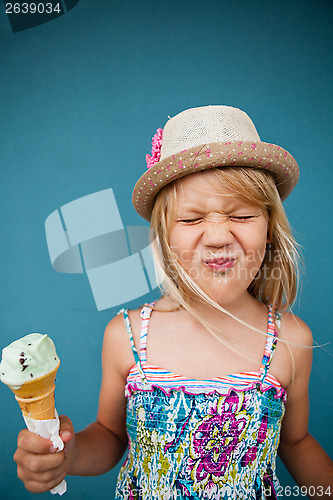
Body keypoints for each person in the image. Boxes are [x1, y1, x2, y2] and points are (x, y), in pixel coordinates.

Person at [14, 106, 333, 499]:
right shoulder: (128, 335)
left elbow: (296, 442)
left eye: (242, 214)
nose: (218, 237)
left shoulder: (290, 340)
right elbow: (112, 435)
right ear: (164, 236)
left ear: (270, 229)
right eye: (191, 219)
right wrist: (70, 455)